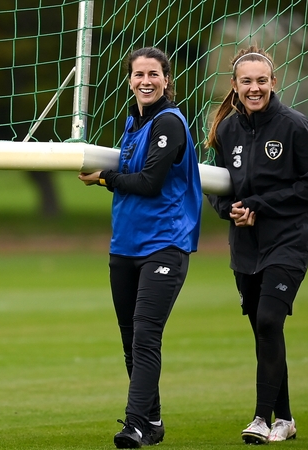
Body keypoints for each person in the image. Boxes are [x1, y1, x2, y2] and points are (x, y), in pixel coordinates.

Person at [205, 45, 308, 445]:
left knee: (268, 321)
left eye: (262, 81)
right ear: (235, 86)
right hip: (245, 247)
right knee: (265, 332)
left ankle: (261, 418)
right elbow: (216, 185)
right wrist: (231, 211)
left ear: (274, 83)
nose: (255, 88)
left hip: (288, 242)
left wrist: (261, 204)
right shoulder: (227, 130)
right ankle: (286, 419)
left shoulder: (295, 126)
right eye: (247, 82)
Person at [79, 47, 202, 449]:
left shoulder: (169, 122)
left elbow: (149, 183)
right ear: (129, 80)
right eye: (138, 75)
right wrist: (108, 177)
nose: (145, 81)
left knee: (146, 337)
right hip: (125, 246)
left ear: (167, 79)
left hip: (164, 245)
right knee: (131, 338)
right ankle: (152, 420)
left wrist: (104, 179)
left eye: (153, 73)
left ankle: (133, 425)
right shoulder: (133, 122)